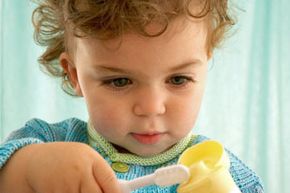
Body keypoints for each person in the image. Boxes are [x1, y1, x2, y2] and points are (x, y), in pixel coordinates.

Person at [0, 0, 264, 192]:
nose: (151, 108)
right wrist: (30, 169)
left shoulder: (223, 171)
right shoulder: (47, 142)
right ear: (74, 74)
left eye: (178, 79)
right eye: (120, 81)